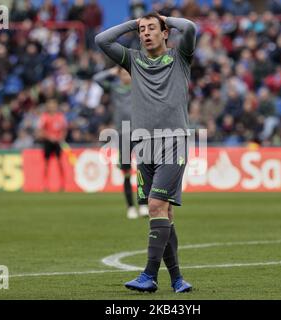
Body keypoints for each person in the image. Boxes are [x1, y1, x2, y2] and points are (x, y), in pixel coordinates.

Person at [95, 12, 197, 293]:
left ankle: (149, 275)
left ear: (165, 33)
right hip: (143, 144)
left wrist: (165, 18)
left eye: (152, 29)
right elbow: (101, 39)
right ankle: (177, 279)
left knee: (154, 205)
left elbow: (189, 27)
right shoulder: (133, 60)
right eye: (142, 30)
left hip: (173, 141)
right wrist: (133, 23)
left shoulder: (180, 58)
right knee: (163, 213)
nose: (145, 33)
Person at [93, 66, 149, 219]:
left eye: (128, 73)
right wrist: (111, 71)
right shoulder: (114, 88)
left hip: (139, 131)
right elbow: (97, 79)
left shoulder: (139, 86)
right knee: (126, 172)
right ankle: (131, 207)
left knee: (142, 169)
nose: (126, 76)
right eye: (123, 73)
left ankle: (143, 204)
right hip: (122, 132)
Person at [39, 99, 68, 191]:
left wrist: (60, 138)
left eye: (53, 105)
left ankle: (63, 184)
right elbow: (41, 130)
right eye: (50, 105)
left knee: (60, 162)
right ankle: (45, 184)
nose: (52, 107)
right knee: (46, 163)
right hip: (48, 142)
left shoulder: (60, 117)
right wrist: (49, 137)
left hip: (57, 142)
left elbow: (64, 129)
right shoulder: (45, 117)